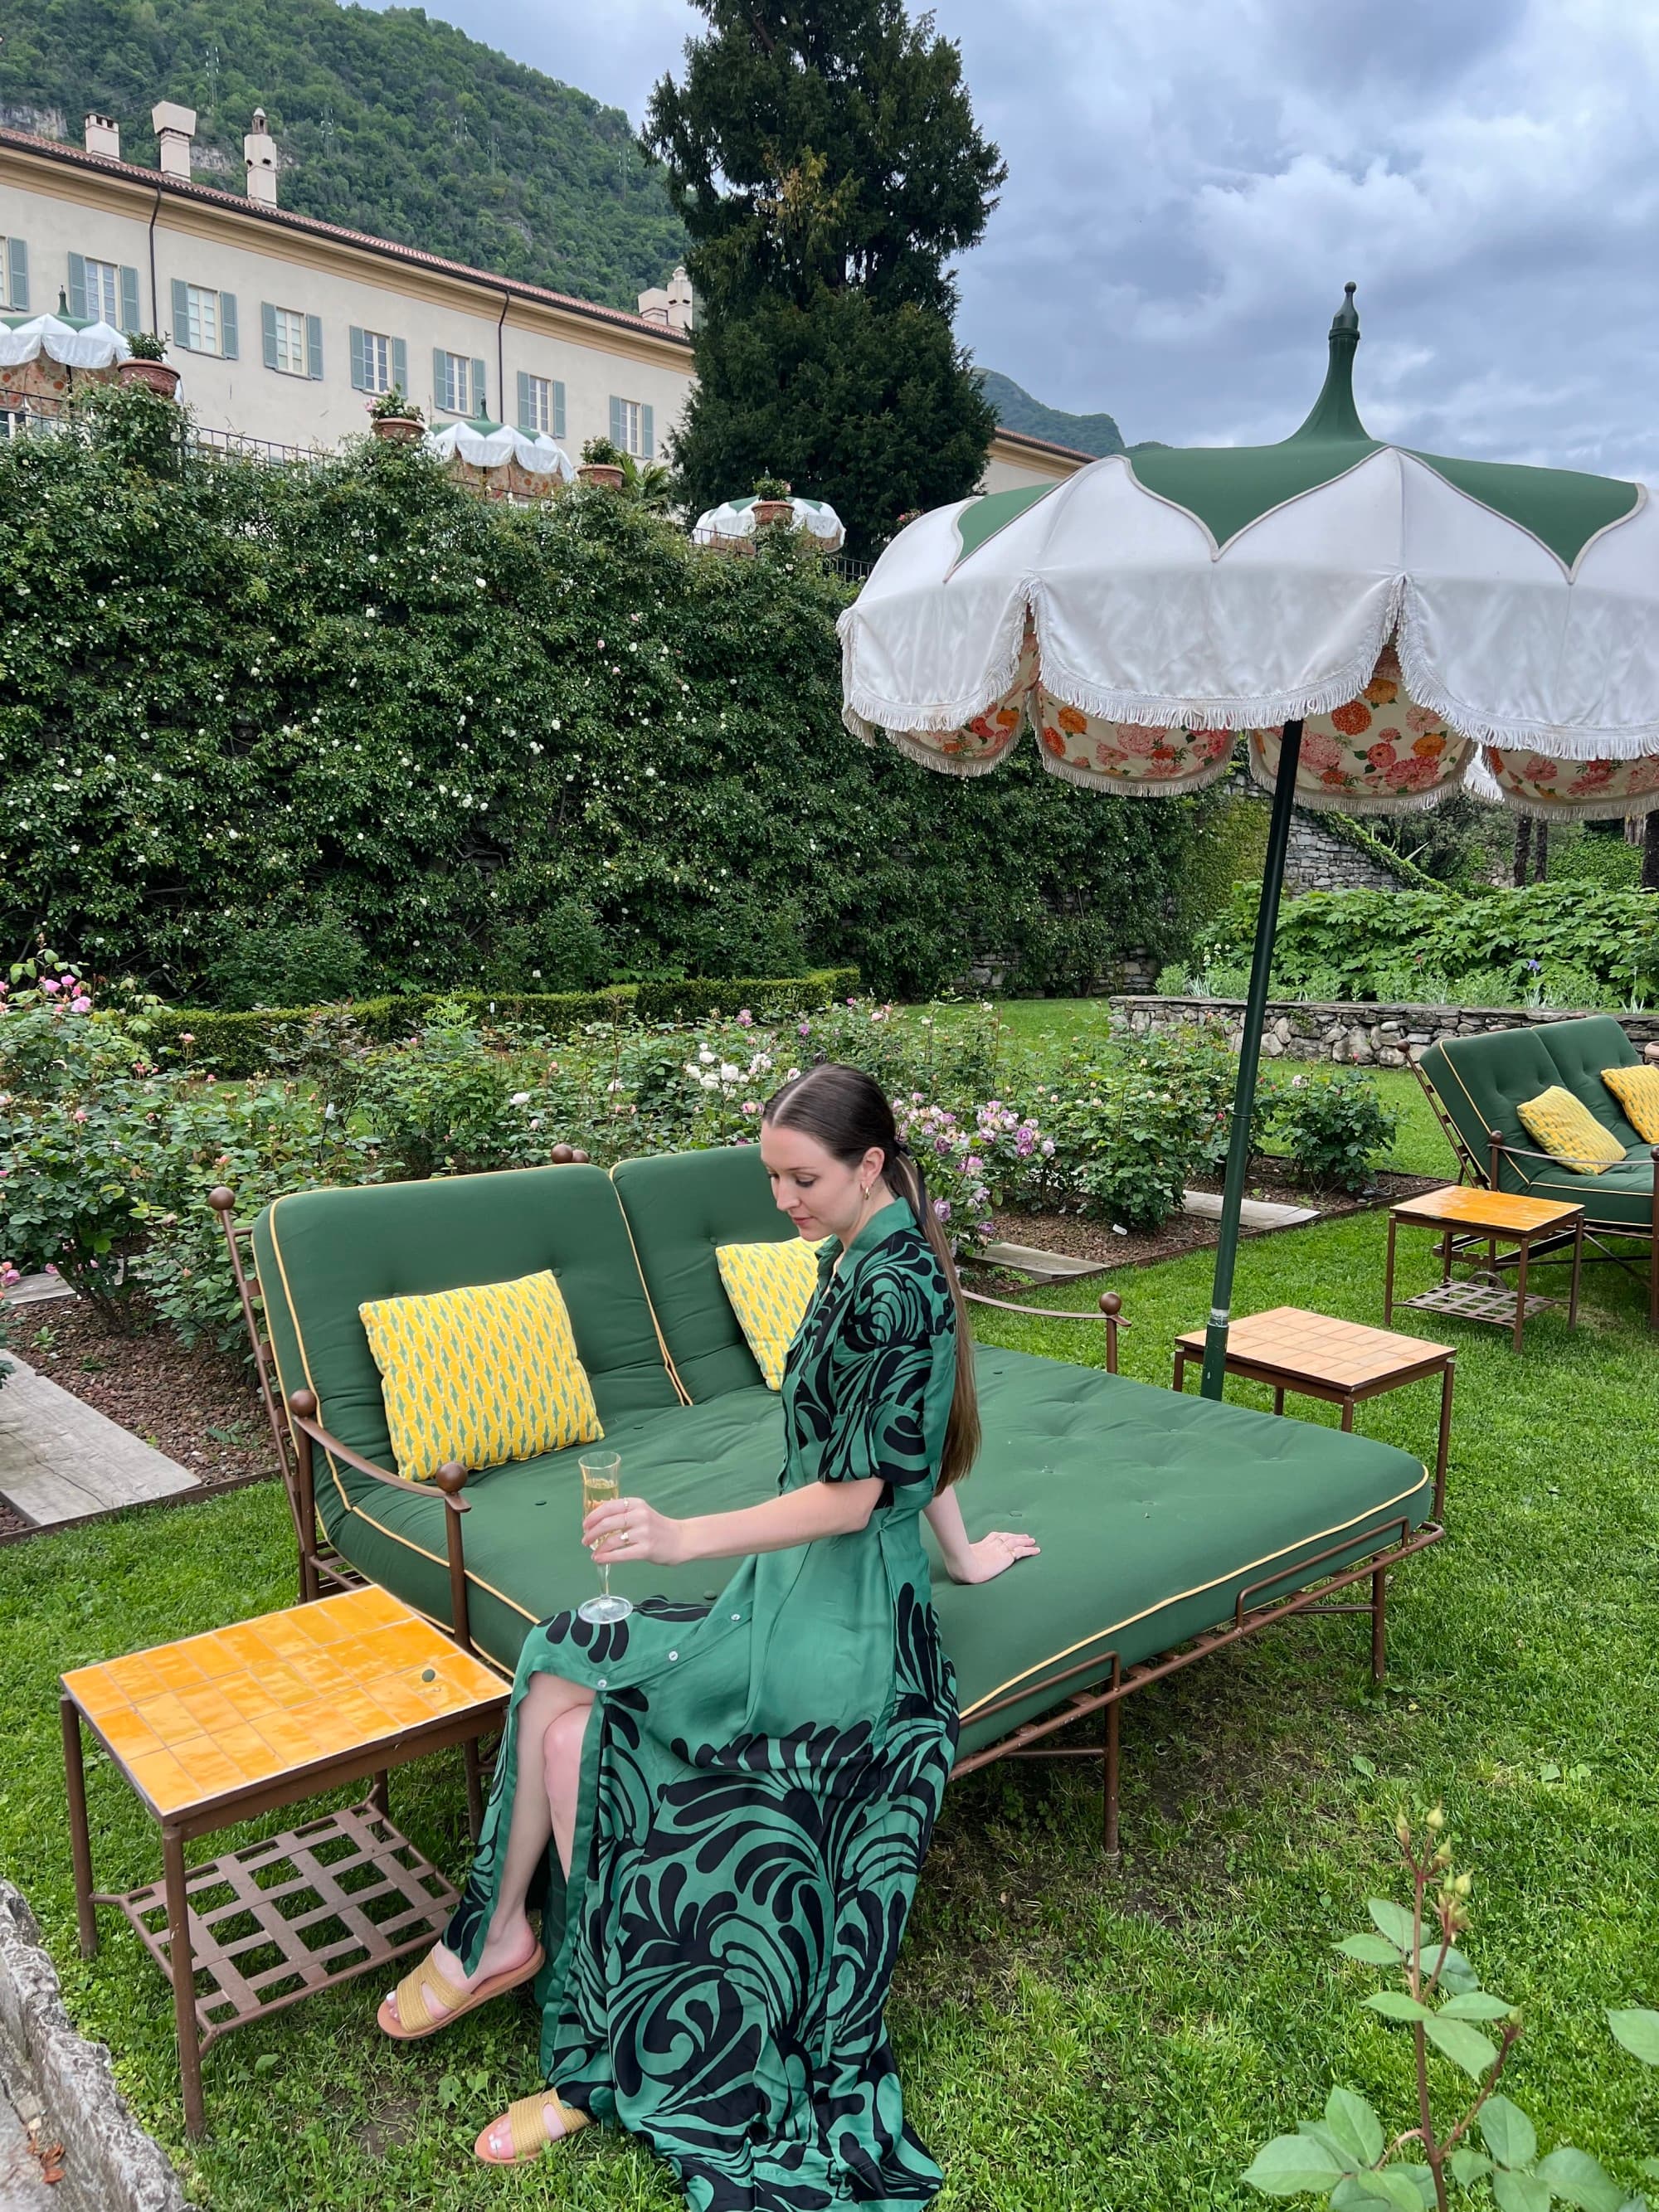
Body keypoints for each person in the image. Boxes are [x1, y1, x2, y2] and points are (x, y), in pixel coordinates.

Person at [378, 1062, 1039, 2204]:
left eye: (802, 1178)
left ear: (871, 1166)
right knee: (558, 1652)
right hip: (782, 1594)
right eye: (772, 1176)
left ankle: (606, 2038)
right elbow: (926, 1440)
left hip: (851, 1632)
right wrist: (968, 1547)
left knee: (579, 1743)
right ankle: (496, 1939)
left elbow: (865, 1490)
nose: (781, 1198)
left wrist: (684, 1540)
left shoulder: (900, 1291)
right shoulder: (856, 1258)